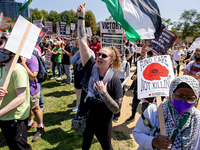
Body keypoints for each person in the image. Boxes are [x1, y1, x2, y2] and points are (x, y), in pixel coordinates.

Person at [77, 3, 123, 150]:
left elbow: (116, 109)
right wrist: (81, 17)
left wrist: (104, 93)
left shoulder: (114, 80)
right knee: (85, 143)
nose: (99, 56)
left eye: (104, 55)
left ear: (111, 61)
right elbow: (83, 41)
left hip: (103, 123)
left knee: (107, 147)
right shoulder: (90, 67)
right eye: (98, 54)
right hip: (86, 118)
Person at [133, 75, 200, 149]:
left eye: (190, 98)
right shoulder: (154, 110)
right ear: (171, 93)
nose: (183, 101)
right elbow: (138, 133)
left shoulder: (197, 119)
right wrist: (153, 141)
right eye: (178, 95)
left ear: (196, 98)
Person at [0, 39, 32, 149]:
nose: (1, 52)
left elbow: (21, 98)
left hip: (15, 119)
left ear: (13, 52)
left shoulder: (18, 70)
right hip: (4, 117)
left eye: (3, 50)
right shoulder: (3, 69)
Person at [20, 53, 45, 142]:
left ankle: (40, 127)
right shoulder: (17, 56)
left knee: (35, 108)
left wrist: (23, 64)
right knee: (28, 108)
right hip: (22, 89)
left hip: (31, 89)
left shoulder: (31, 57)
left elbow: (32, 76)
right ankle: (30, 123)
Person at [70, 48, 95, 112]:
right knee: (78, 92)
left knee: (85, 93)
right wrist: (77, 54)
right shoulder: (78, 51)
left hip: (85, 75)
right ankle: (78, 106)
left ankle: (85, 108)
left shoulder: (90, 52)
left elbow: (92, 64)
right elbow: (71, 61)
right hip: (77, 75)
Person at [113, 54, 130, 122]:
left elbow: (128, 75)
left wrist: (123, 84)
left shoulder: (126, 64)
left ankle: (116, 115)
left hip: (121, 82)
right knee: (111, 98)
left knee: (119, 100)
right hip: (112, 81)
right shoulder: (113, 62)